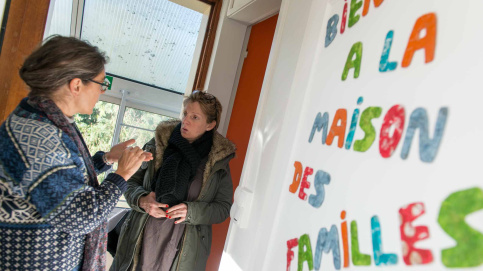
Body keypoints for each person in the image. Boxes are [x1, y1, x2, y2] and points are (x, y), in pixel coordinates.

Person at [0, 36, 152, 271]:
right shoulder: (40, 138)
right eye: (101, 82)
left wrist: (107, 159)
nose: (102, 90)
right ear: (77, 85)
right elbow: (81, 217)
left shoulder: (43, 121)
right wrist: (121, 176)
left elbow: (62, 183)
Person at [111, 91, 236, 271]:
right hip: (141, 240)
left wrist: (191, 211)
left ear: (210, 125)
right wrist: (142, 200)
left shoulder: (218, 161)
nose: (185, 121)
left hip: (182, 251)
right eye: (185, 114)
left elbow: (223, 208)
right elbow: (129, 182)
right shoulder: (157, 144)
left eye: (195, 117)